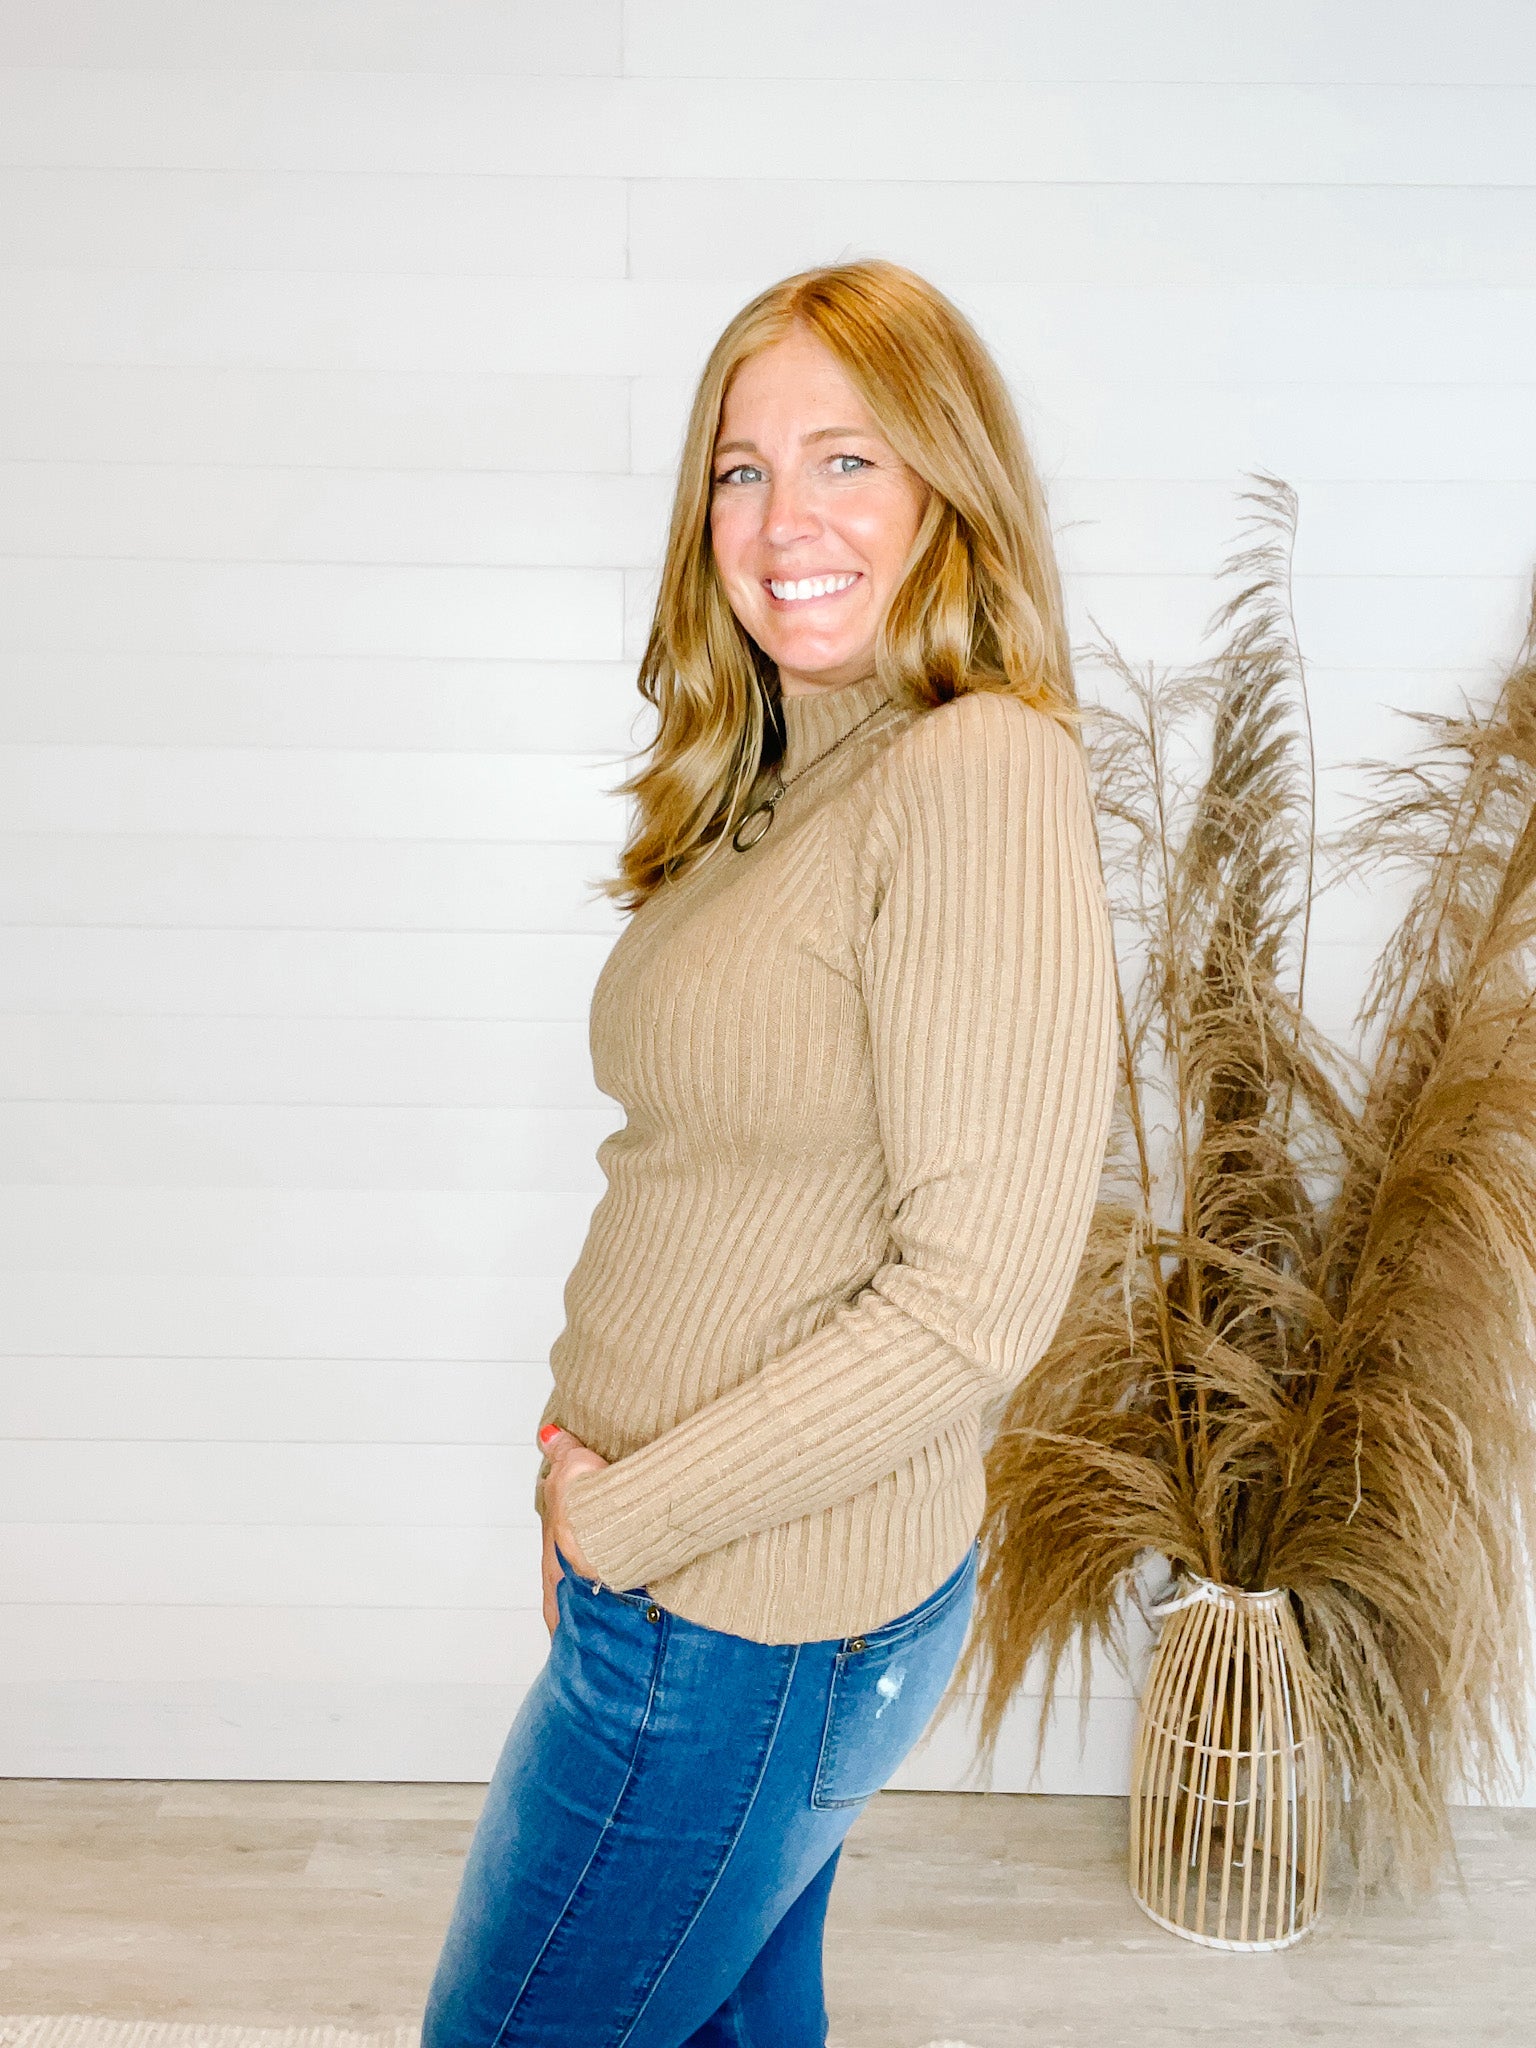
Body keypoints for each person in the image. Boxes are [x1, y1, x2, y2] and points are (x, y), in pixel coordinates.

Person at [420, 259, 1118, 2048]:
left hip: (745, 1620)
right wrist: (585, 1465)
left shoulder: (973, 772)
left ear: (950, 484)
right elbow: (702, 1177)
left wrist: (624, 1519)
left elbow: (976, 1303)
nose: (783, 518)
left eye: (847, 459)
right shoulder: (782, 779)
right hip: (701, 1596)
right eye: (743, 469)